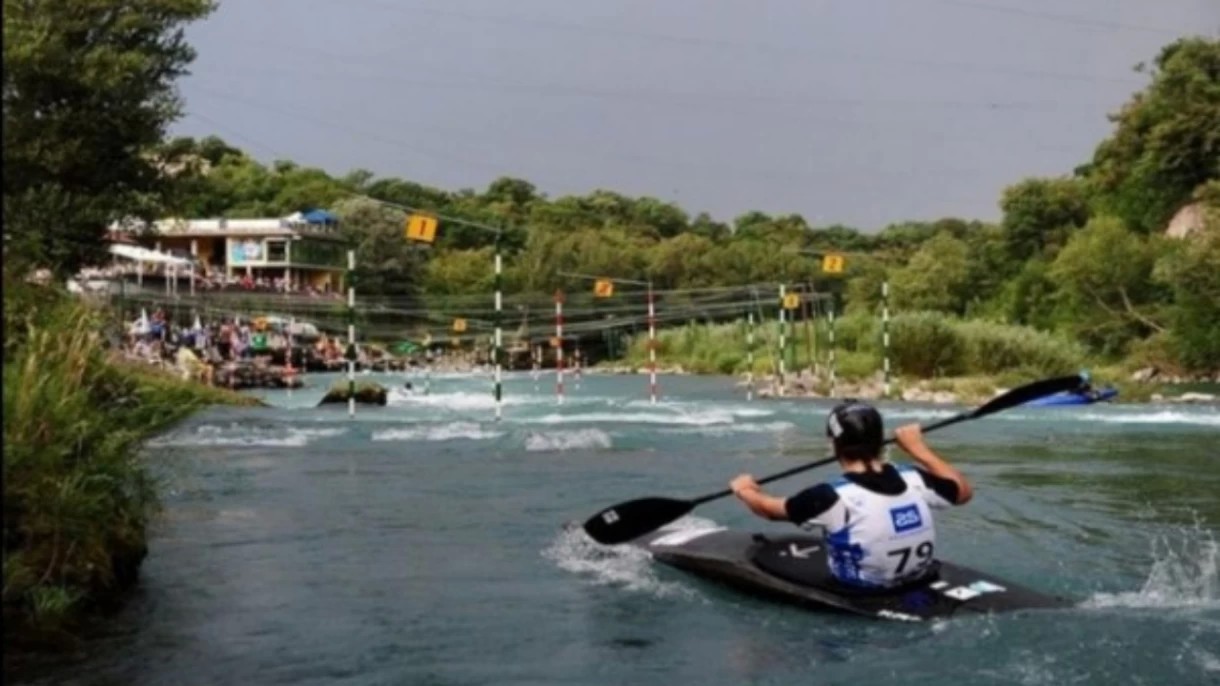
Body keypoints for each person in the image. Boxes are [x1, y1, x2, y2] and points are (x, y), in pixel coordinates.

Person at [729, 400, 973, 590]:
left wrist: (745, 490)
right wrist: (919, 449)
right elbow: (963, 492)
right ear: (881, 441)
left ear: (833, 444)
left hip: (861, 589)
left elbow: (769, 510)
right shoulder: (915, 478)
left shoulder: (831, 496)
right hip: (919, 578)